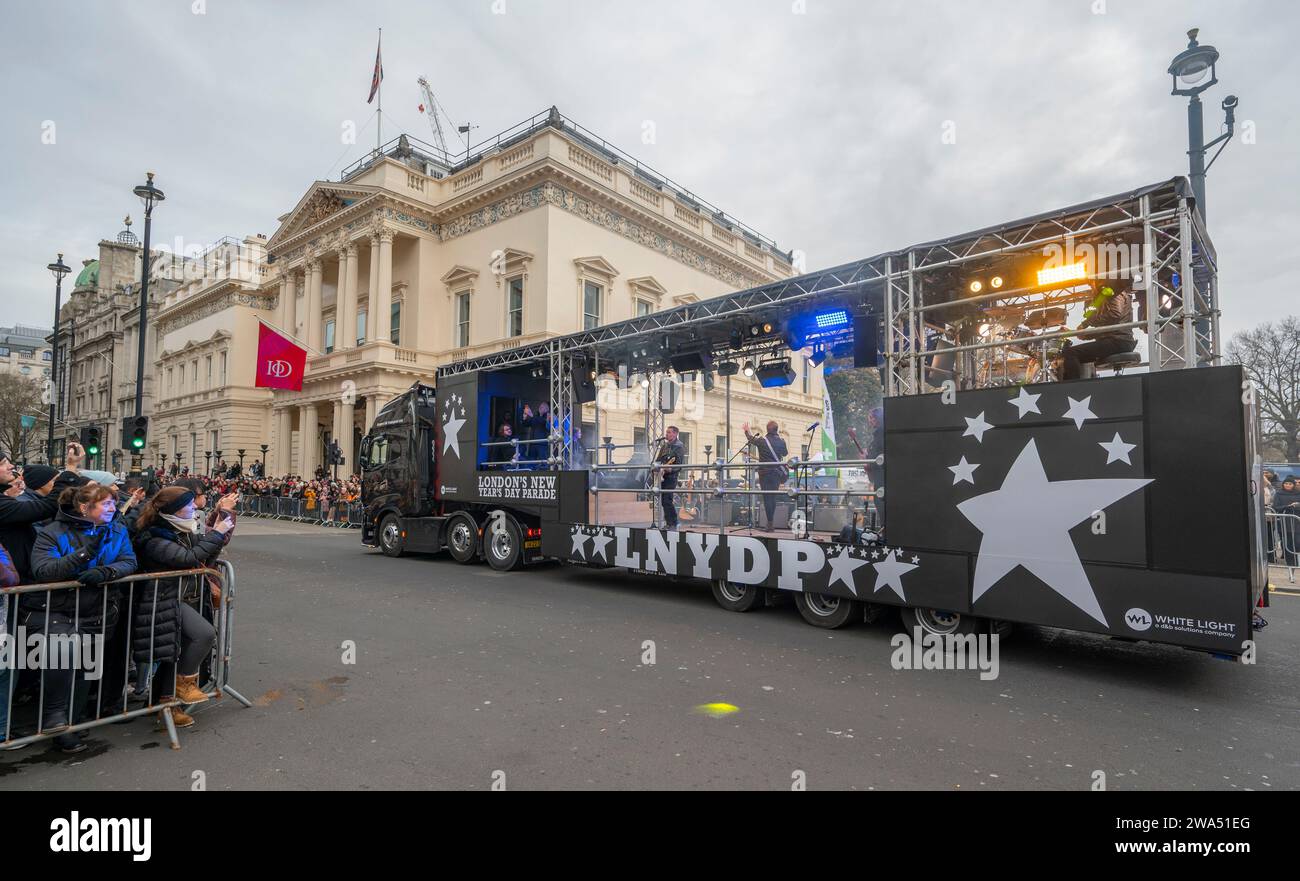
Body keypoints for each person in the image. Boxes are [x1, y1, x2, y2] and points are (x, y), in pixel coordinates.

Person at [27, 482, 137, 752]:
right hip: (55, 609)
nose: (113, 508)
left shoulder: (117, 529)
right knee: (61, 655)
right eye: (107, 504)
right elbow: (44, 570)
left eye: (114, 503)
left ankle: (70, 727)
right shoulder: (53, 531)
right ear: (85, 507)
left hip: (97, 610)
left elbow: (129, 561)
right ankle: (54, 716)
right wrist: (85, 553)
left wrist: (107, 573)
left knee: (84, 671)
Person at [130, 486, 228, 729]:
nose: (194, 507)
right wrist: (216, 534)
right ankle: (184, 684)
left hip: (186, 596)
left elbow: (204, 554)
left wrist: (221, 527)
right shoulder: (153, 535)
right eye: (188, 504)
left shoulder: (183, 529)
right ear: (173, 509)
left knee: (173, 654)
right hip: (164, 597)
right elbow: (186, 558)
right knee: (204, 634)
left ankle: (167, 708)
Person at [0, 446, 84, 582]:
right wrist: (70, 467)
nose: (11, 466)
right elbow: (46, 507)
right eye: (3, 463)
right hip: (16, 580)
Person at [1061, 282, 1137, 380]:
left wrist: (1086, 324)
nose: (1092, 288)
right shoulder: (1105, 297)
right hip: (1115, 340)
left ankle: (1073, 388)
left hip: (1119, 341)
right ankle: (1086, 386)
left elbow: (1114, 314)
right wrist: (1080, 333)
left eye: (1091, 285)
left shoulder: (1114, 291)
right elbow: (1105, 327)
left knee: (1071, 353)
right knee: (1074, 356)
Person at [743, 420, 789, 530]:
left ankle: (769, 523)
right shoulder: (781, 441)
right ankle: (770, 522)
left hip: (764, 474)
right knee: (772, 497)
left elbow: (751, 439)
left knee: (766, 497)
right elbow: (785, 453)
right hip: (776, 474)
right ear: (777, 429)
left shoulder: (762, 441)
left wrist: (746, 431)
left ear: (767, 429)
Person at [655, 426, 686, 529]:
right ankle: (670, 522)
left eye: (669, 432)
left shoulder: (679, 446)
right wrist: (656, 467)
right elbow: (658, 459)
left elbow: (679, 465)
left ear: (675, 434)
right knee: (664, 500)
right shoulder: (665, 446)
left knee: (667, 500)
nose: (666, 434)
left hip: (671, 477)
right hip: (662, 476)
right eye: (666, 432)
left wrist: (670, 469)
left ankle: (673, 523)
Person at [1273, 476, 1300, 567]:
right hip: (1285, 522)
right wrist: (1288, 506)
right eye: (1286, 483)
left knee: (1297, 542)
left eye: (1290, 484)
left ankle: (1297, 560)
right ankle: (1291, 562)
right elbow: (1276, 507)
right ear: (1283, 484)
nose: (1288, 485)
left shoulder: (1298, 493)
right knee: (1287, 542)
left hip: (1297, 522)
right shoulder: (1279, 494)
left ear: (1293, 485)